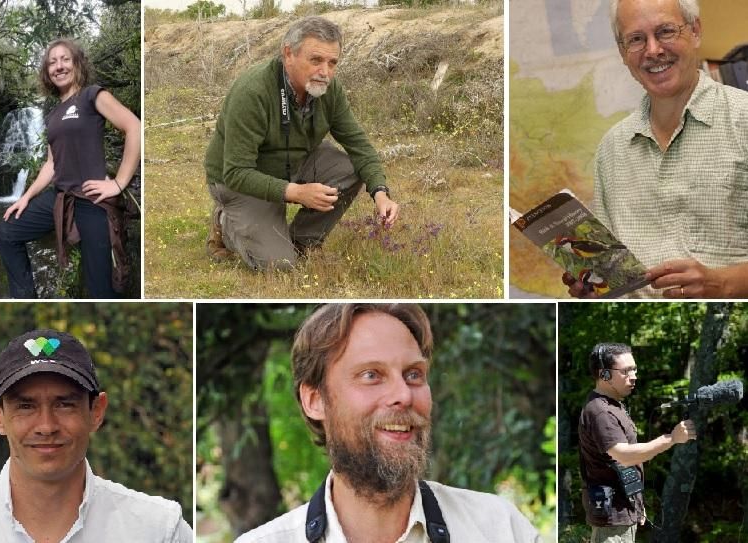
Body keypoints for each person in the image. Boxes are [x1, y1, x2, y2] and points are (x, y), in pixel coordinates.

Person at [236, 304, 540, 543]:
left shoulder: (501, 529)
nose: (403, 395)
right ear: (315, 400)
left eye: (413, 374)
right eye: (371, 375)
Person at [0, 329, 193, 542]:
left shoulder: (159, 530)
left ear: (96, 411)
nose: (47, 426)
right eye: (26, 406)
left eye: (65, 404)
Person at [564, 0, 748, 299]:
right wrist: (596, 290)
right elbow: (614, 278)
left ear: (696, 31)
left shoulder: (744, 120)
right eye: (636, 39)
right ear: (623, 51)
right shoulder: (611, 148)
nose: (653, 50)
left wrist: (722, 284)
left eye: (665, 31)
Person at [204, 17, 400, 271]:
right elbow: (235, 172)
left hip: (292, 164)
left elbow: (359, 145)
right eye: (316, 60)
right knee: (280, 266)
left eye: (332, 63)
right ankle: (225, 223)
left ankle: (300, 241)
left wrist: (381, 193)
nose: (325, 72)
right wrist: (297, 193)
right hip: (239, 181)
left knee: (352, 168)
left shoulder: (329, 89)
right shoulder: (253, 91)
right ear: (288, 54)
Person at [0, 38, 140, 298]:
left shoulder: (92, 95)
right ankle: (26, 300)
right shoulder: (53, 115)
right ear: (47, 72)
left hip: (92, 199)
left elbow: (135, 127)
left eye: (65, 59)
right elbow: (51, 164)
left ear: (77, 64)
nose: (58, 66)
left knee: (101, 289)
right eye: (52, 62)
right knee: (7, 231)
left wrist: (118, 182)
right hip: (60, 197)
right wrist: (25, 198)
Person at [578, 343, 696, 543]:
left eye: (634, 369)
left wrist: (637, 504)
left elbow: (620, 465)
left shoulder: (615, 405)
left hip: (623, 513)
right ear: (604, 375)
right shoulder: (600, 412)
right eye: (625, 371)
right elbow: (624, 455)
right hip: (612, 520)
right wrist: (672, 438)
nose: (634, 376)